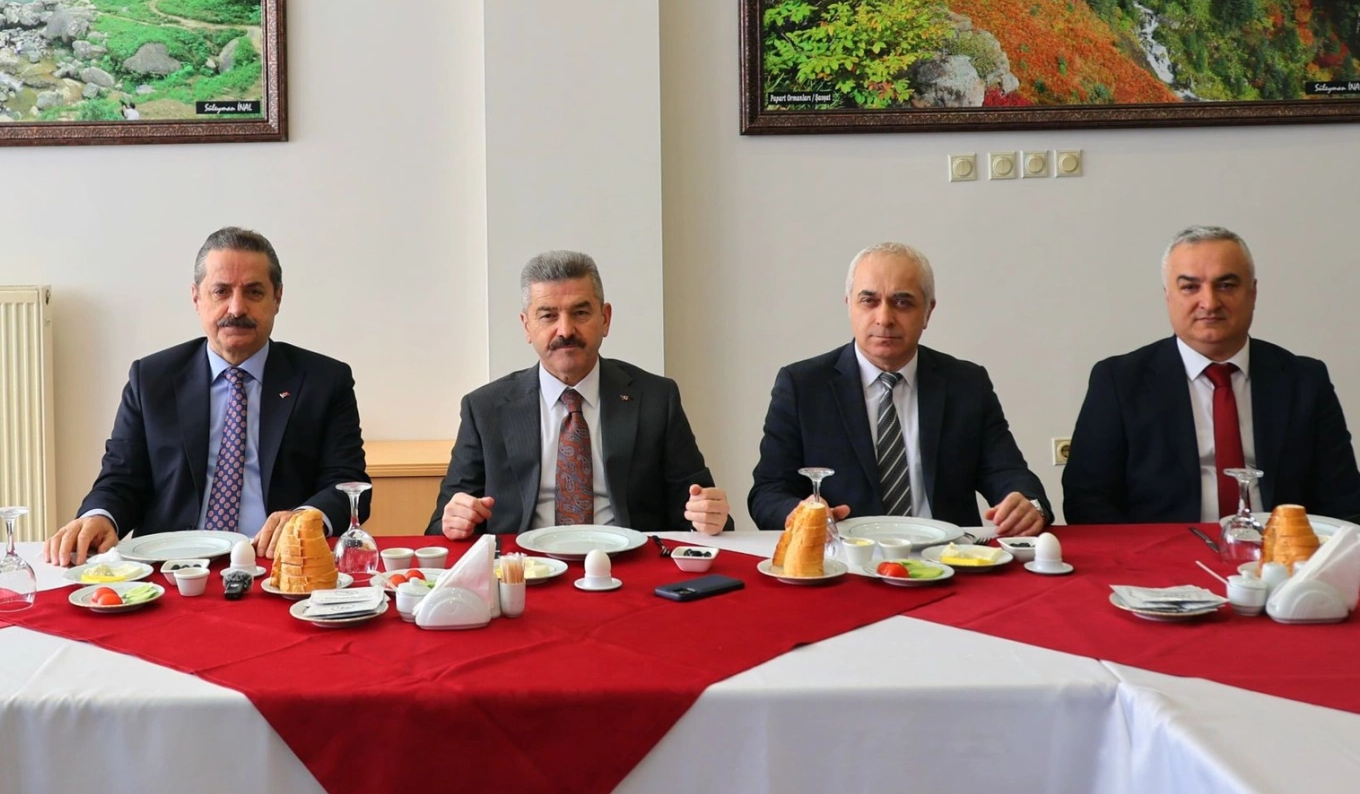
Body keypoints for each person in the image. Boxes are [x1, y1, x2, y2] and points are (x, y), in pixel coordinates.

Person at [45, 227, 370, 566]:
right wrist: (100, 516)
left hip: (278, 561)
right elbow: (121, 479)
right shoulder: (152, 379)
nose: (237, 308)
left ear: (277, 298)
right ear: (196, 298)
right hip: (172, 565)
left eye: (254, 292)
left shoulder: (323, 381)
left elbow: (349, 484)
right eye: (221, 291)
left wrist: (306, 516)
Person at [1063, 225, 1360, 524]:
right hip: (1162, 549)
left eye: (1226, 285)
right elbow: (1087, 499)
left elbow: (1344, 499)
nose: (1210, 302)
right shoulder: (1119, 381)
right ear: (1168, 296)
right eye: (1190, 287)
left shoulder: (1305, 380)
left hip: (1281, 549)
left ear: (1253, 293)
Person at [749, 242, 1049, 536]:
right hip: (843, 555)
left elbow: (1008, 473)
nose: (884, 319)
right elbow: (768, 491)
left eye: (902, 302)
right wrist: (799, 513)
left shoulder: (966, 383)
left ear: (928, 311)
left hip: (946, 556)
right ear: (849, 305)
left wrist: (1029, 505)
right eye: (869, 301)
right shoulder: (803, 386)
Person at [430, 250, 730, 540]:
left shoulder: (656, 399)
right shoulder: (485, 408)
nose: (565, 330)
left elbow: (700, 508)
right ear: (527, 326)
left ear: (605, 319)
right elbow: (439, 526)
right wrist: (454, 520)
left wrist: (707, 516)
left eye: (581, 313)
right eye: (548, 316)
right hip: (524, 565)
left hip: (628, 562)